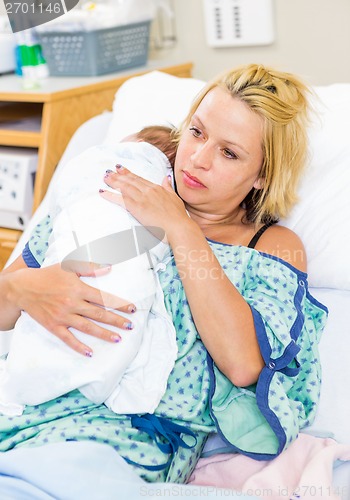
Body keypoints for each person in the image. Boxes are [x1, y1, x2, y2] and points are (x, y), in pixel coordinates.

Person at [0, 64, 328, 485]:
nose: (198, 159)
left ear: (262, 176)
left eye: (229, 153)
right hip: (23, 396)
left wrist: (180, 227)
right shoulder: (122, 189)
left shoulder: (269, 244)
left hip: (115, 437)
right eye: (197, 131)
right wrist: (25, 290)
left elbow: (244, 364)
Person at [0, 126, 179, 417]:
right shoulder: (74, 211)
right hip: (36, 375)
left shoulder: (185, 237)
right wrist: (21, 287)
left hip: (91, 412)